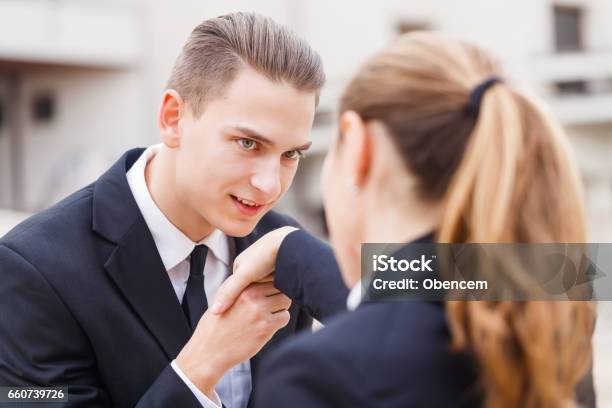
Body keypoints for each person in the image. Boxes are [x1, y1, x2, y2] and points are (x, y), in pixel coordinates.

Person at [214, 32, 597, 407]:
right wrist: (294, 252)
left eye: (296, 153)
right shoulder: (552, 322)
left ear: (358, 146)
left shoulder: (317, 377)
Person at [0, 12, 326, 407]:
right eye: (247, 144)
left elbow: (416, 282)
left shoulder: (283, 240)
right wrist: (200, 367)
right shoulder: (33, 270)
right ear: (173, 118)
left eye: (290, 153)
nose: (270, 185)